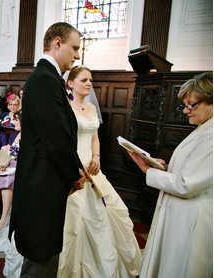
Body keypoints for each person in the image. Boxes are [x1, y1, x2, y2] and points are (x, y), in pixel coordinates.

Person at [11, 22, 86, 276]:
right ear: (57, 42)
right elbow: (57, 138)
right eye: (74, 48)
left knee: (44, 256)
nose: (77, 55)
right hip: (40, 185)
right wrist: (75, 174)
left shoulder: (48, 78)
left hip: (45, 182)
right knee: (40, 260)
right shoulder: (44, 79)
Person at [54, 65, 142, 277]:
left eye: (90, 80)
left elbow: (94, 137)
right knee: (75, 216)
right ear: (70, 83)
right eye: (84, 80)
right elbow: (63, 141)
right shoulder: (65, 108)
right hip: (74, 166)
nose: (89, 84)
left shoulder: (92, 108)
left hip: (93, 167)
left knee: (104, 213)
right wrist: (76, 164)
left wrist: (96, 157)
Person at [127, 72, 212, 278]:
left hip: (193, 220)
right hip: (182, 213)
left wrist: (149, 171)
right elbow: (192, 171)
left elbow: (186, 185)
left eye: (191, 104)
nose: (185, 110)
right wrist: (166, 169)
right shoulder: (204, 129)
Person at [0, 111, 21, 230]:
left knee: (8, 182)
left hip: (21, 167)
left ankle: (4, 218)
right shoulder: (14, 135)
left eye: (16, 120)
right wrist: (4, 163)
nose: (14, 122)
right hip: (10, 164)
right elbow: (8, 153)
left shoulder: (31, 136)